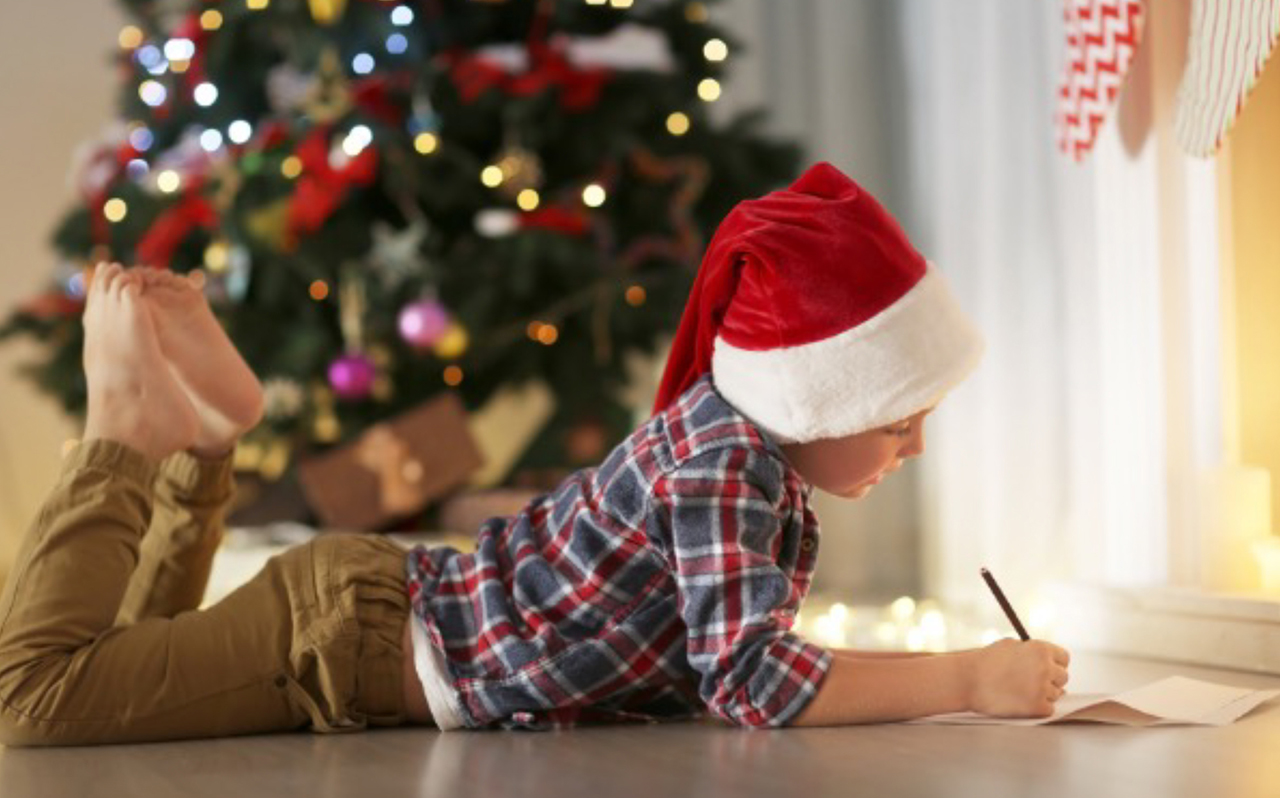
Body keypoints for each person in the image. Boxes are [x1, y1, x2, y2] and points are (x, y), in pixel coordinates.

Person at [0, 162, 1068, 746]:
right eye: (897, 417)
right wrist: (971, 679)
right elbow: (755, 683)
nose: (915, 445)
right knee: (36, 697)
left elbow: (726, 663)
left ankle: (203, 449)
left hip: (366, 614)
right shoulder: (727, 465)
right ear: (818, 391)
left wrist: (967, 676)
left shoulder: (739, 456)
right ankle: (124, 434)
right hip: (345, 644)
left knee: (127, 662)